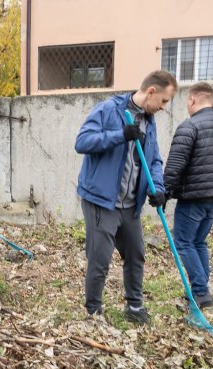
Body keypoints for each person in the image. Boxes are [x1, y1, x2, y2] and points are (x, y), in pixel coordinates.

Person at [74, 70, 176, 324]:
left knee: (135, 253)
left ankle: (134, 306)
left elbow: (153, 159)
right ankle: (93, 311)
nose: (164, 107)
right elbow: (83, 142)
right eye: (163, 101)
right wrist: (120, 135)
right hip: (101, 200)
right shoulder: (109, 109)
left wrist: (158, 188)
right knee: (100, 258)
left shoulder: (148, 121)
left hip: (131, 203)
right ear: (151, 91)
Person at [164, 82, 213, 309]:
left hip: (193, 195)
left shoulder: (190, 126)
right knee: (198, 241)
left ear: (192, 100)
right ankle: (201, 289)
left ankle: (200, 292)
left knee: (184, 242)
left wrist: (164, 192)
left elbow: (175, 165)